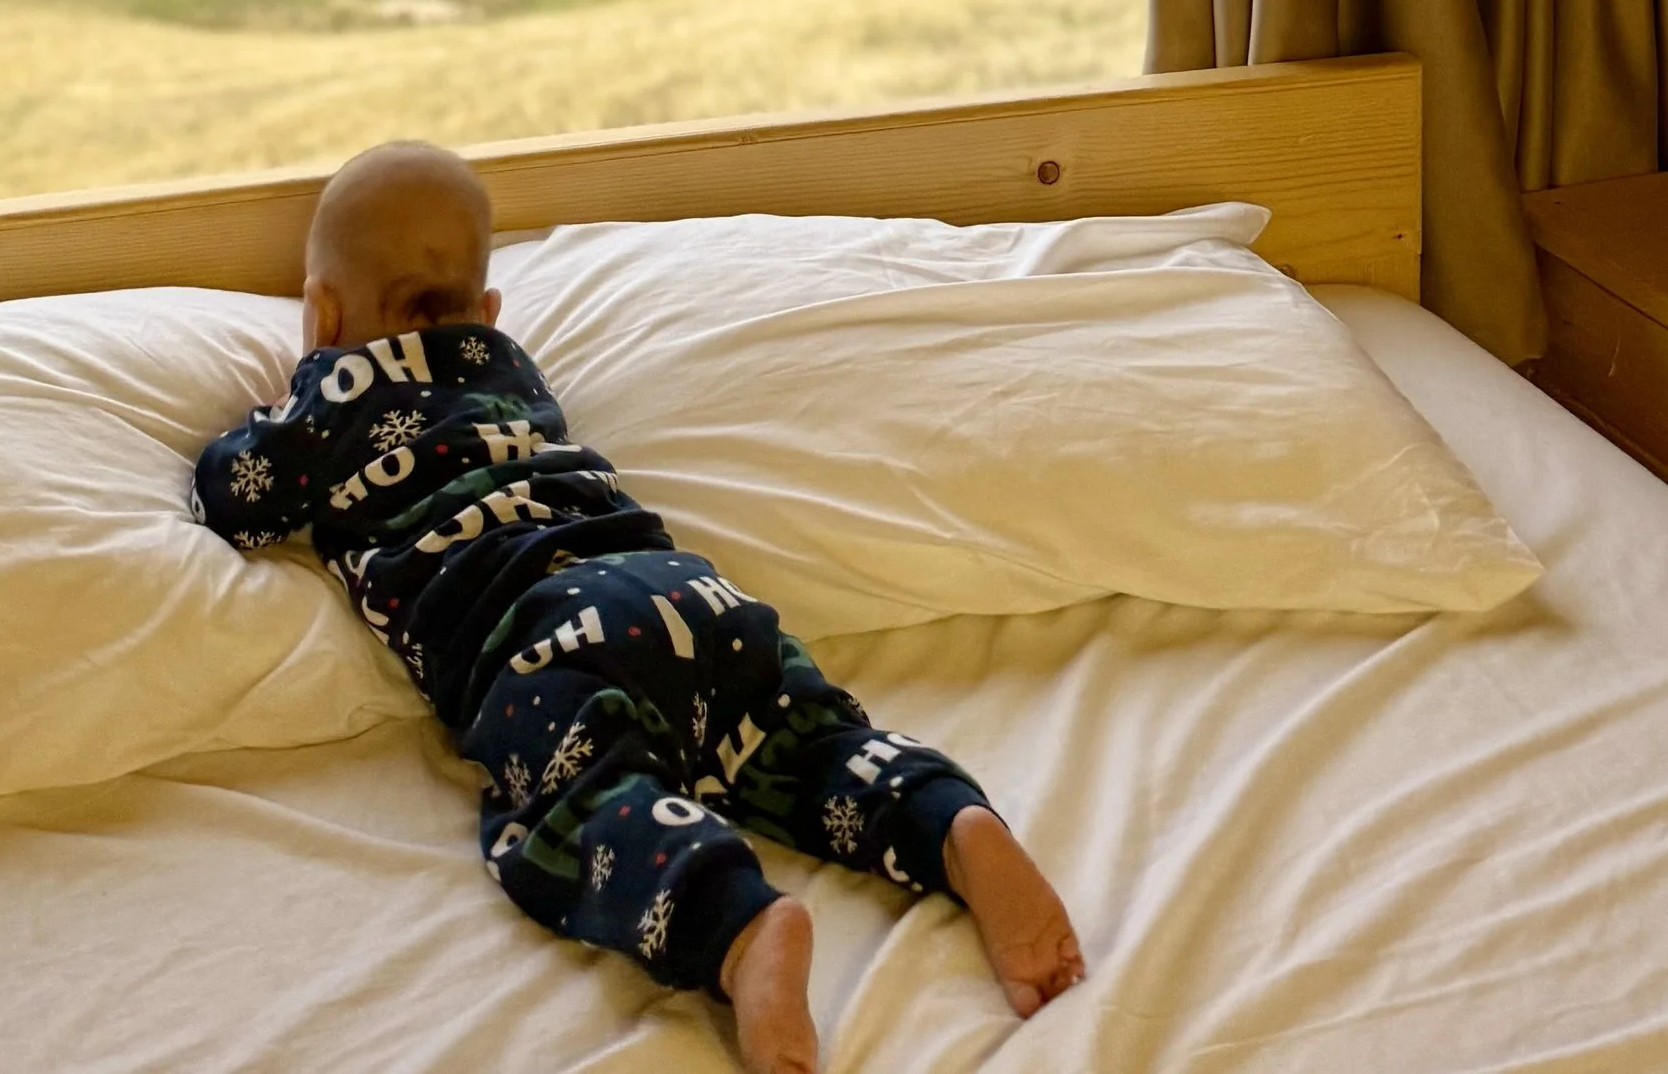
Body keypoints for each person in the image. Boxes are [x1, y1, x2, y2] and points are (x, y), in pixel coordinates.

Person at [193, 140, 1084, 1073]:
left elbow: (232, 497)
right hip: (680, 589)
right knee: (799, 738)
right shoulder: (512, 372)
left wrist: (301, 385)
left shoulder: (334, 395)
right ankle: (945, 823)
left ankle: (735, 927)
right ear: (488, 312)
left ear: (323, 310)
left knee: (578, 800)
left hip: (543, 633)